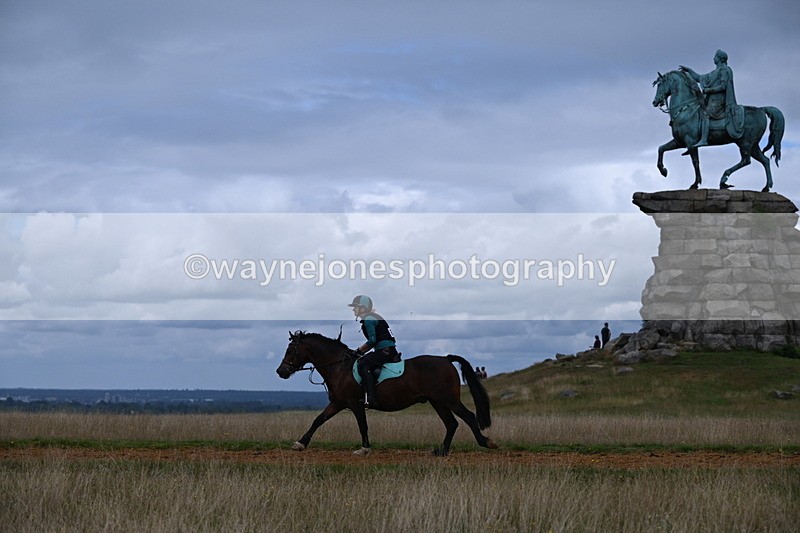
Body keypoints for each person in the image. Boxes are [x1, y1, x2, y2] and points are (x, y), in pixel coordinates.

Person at [679, 49, 743, 151]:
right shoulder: (715, 72)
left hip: (720, 100)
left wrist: (709, 90)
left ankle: (704, 139)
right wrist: (689, 71)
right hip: (711, 99)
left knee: (705, 114)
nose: (713, 58)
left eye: (715, 56)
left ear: (720, 58)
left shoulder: (725, 70)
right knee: (697, 112)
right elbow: (699, 78)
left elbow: (723, 86)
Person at [348, 294, 399, 409]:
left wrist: (358, 350)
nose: (353, 309)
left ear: (363, 307)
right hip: (387, 350)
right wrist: (360, 352)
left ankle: (371, 397)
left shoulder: (368, 320)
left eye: (355, 306)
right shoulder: (373, 317)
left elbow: (372, 341)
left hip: (385, 351)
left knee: (363, 364)